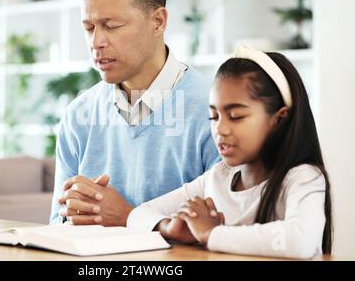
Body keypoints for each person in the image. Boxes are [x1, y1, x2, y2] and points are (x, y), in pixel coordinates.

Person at [49, 0, 219, 226]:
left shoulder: (216, 110)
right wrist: (71, 217)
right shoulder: (77, 117)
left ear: (158, 21)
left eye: (112, 25)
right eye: (89, 28)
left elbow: (228, 235)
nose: (96, 42)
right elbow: (56, 228)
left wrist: (126, 218)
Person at [127, 46, 333, 259]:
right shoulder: (217, 178)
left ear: (279, 119)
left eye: (235, 116)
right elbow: (138, 214)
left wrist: (211, 233)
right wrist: (168, 227)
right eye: (213, 117)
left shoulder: (302, 178)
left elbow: (300, 242)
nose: (220, 130)